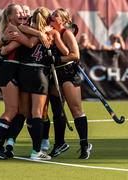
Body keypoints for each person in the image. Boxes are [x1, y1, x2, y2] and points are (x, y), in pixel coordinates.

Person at [2, 7, 70, 160]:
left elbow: (19, 30)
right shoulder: (51, 33)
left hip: (23, 73)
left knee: (22, 112)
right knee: (37, 113)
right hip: (39, 74)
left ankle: (10, 141)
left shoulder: (26, 31)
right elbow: (66, 52)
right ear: (46, 19)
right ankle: (36, 152)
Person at [0, 4, 38, 160]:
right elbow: (25, 44)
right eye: (18, 12)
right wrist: (39, 34)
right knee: (11, 111)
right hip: (9, 69)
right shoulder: (13, 29)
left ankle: (2, 144)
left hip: (14, 70)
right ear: (10, 16)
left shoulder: (18, 28)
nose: (22, 14)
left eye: (23, 12)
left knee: (17, 111)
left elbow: (4, 46)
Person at [48, 8, 93, 159]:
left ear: (64, 21)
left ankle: (84, 144)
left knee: (75, 110)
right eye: (52, 14)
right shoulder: (49, 32)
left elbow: (75, 55)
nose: (52, 16)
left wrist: (56, 59)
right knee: (57, 111)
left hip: (67, 73)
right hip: (54, 75)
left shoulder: (65, 33)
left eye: (56, 15)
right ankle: (59, 143)